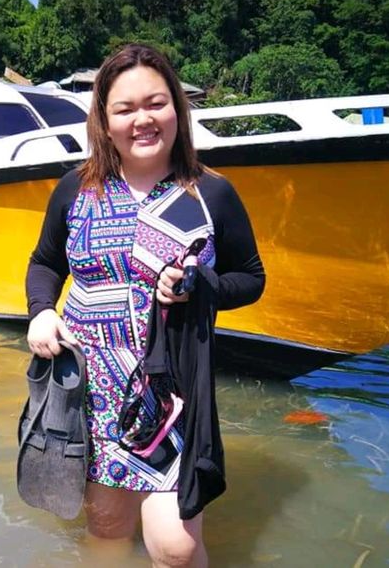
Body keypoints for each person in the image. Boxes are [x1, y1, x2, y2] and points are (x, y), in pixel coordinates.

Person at [25, 43, 265, 567]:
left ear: (177, 109)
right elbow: (45, 263)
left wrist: (202, 285)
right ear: (105, 121)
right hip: (91, 391)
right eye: (125, 109)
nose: (143, 120)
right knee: (107, 534)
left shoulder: (211, 193)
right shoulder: (75, 189)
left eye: (156, 103)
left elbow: (250, 278)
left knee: (175, 547)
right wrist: (41, 310)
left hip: (174, 390)